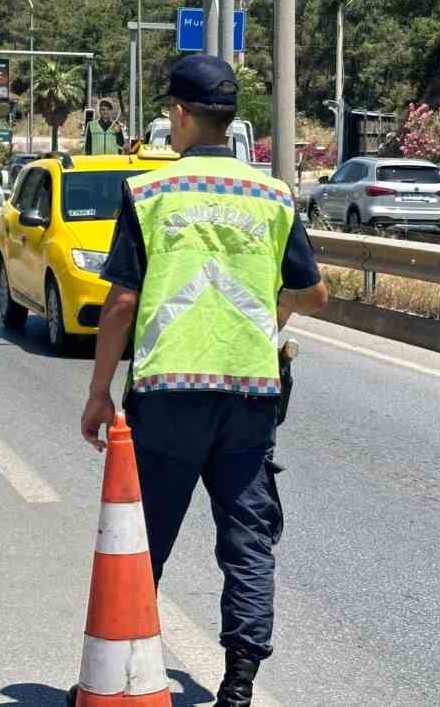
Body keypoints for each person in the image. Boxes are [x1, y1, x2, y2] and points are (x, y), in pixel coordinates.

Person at [80, 54, 329, 707]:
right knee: (247, 544)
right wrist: (262, 319)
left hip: (168, 396)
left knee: (143, 541)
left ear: (182, 116)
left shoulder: (150, 193)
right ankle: (239, 688)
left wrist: (98, 390)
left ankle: (115, 677)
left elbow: (123, 304)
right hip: (250, 397)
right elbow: (316, 292)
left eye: (170, 111)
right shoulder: (273, 195)